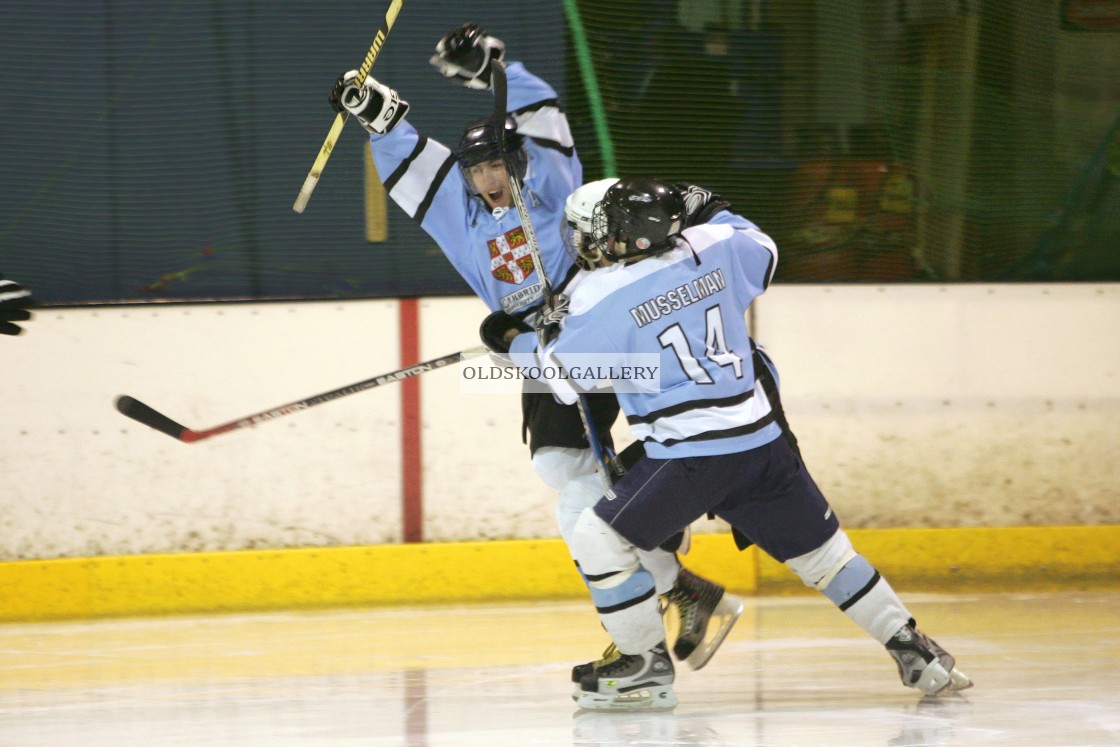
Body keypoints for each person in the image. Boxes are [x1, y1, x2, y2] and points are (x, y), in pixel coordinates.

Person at [328, 24, 740, 671]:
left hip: (597, 327)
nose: (487, 178)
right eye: (478, 168)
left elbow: (543, 114)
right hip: (538, 350)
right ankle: (678, 581)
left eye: (496, 163)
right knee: (562, 468)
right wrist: (378, 117)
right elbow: (418, 169)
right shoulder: (463, 218)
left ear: (516, 162)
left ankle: (665, 554)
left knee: (600, 474)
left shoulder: (549, 182)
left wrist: (495, 68)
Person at [490, 176, 972, 710]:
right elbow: (762, 248)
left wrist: (511, 344)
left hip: (691, 459)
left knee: (595, 535)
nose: (584, 248)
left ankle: (642, 667)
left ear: (620, 235)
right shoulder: (714, 245)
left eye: (590, 235)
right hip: (763, 443)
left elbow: (562, 380)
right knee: (826, 556)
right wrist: (710, 205)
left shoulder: (604, 295)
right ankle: (913, 647)